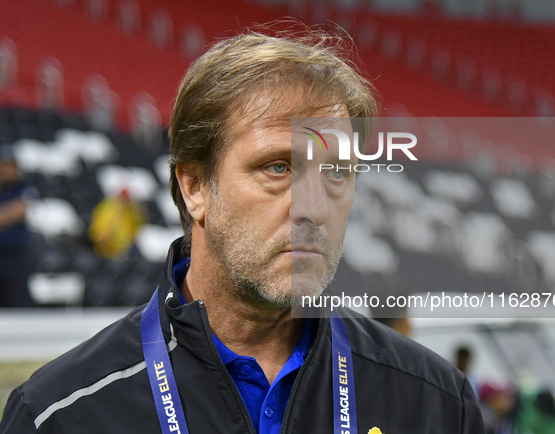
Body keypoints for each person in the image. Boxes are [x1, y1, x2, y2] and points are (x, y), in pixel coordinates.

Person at [0, 24, 485, 434]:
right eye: (278, 168)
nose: (314, 207)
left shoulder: (437, 405)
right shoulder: (60, 415)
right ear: (194, 185)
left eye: (337, 172)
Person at [0, 145, 35, 307]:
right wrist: (9, 212)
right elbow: (12, 212)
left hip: (15, 253)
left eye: (10, 165)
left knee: (20, 297)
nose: (8, 170)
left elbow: (20, 210)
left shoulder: (23, 187)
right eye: (4, 165)